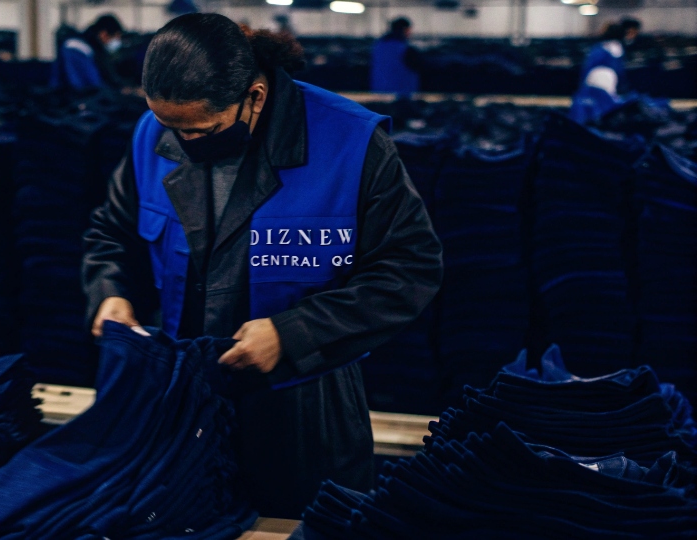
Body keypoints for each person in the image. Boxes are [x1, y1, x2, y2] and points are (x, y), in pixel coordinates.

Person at [82, 13, 442, 518]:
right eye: (170, 127)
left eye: (200, 130)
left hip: (303, 416)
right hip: (181, 406)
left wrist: (295, 333)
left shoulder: (349, 143)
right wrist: (111, 292)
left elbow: (409, 268)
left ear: (253, 96)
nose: (180, 144)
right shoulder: (153, 133)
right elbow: (113, 232)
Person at [570, 22, 627, 124]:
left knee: (591, 102)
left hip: (595, 77)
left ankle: (589, 122)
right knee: (605, 103)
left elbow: (588, 66)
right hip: (610, 78)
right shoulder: (618, 48)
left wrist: (581, 85)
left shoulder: (599, 48)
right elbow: (620, 70)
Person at [51, 14, 124, 90]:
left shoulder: (93, 49)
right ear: (104, 34)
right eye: (116, 37)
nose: (117, 42)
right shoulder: (77, 48)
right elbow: (90, 85)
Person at [370, 17, 422, 95]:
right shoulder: (405, 49)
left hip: (378, 92)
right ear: (405, 29)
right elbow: (421, 66)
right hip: (400, 95)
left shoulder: (378, 46)